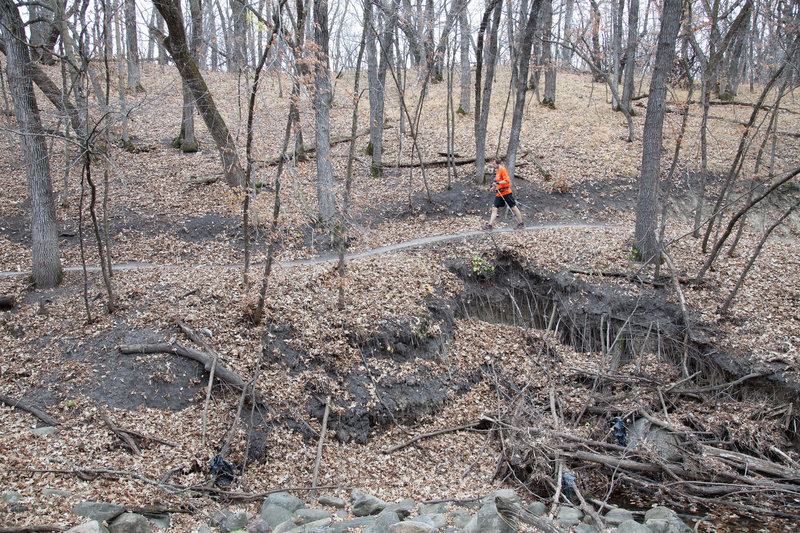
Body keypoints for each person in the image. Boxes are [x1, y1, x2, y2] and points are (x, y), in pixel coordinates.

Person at [483, 157, 524, 231]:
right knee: (494, 208)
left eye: (494, 164)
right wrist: (493, 187)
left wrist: (497, 183)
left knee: (513, 207)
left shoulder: (503, 169)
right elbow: (497, 182)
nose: (493, 165)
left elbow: (506, 181)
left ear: (497, 163)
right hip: (499, 193)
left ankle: (521, 224)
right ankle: (490, 226)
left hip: (506, 192)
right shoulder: (498, 171)